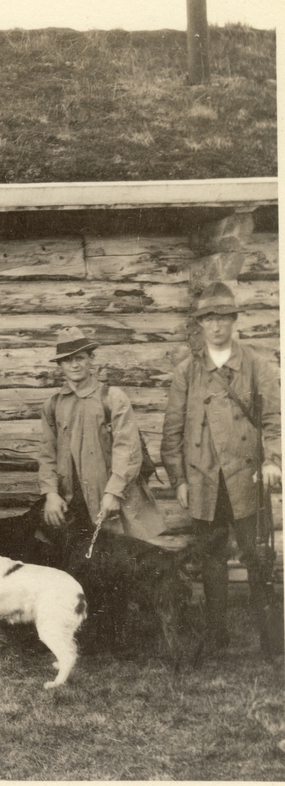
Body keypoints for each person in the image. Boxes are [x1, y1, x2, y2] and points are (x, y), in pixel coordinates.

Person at [161, 282, 283, 658]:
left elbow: (273, 420)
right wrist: (179, 479)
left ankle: (272, 641)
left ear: (234, 320)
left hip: (246, 481)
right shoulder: (187, 372)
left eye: (223, 318)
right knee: (213, 560)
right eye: (209, 319)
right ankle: (217, 636)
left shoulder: (256, 365)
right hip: (205, 481)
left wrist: (271, 459)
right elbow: (173, 430)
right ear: (200, 325)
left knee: (257, 555)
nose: (216, 326)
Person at [38, 327, 165, 539]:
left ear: (91, 359)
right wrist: (50, 494)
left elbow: (128, 450)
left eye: (80, 357)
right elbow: (47, 453)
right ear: (60, 365)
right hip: (72, 503)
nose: (75, 364)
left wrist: (114, 493)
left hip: (112, 500)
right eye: (67, 360)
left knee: (120, 561)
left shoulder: (112, 398)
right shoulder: (52, 405)